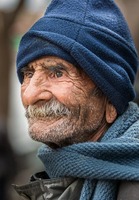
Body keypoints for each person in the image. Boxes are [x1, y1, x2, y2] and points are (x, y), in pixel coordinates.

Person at [13, 0, 139, 199]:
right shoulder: (55, 176)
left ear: (110, 100)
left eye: (56, 72)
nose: (30, 95)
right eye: (28, 74)